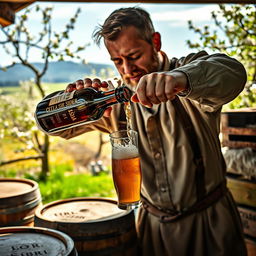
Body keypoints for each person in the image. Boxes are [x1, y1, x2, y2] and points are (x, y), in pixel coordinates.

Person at [55, 7, 248, 256]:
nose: (127, 69)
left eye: (134, 56)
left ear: (155, 42)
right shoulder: (113, 101)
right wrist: (71, 102)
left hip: (209, 224)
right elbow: (57, 130)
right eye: (117, 61)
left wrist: (179, 79)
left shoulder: (189, 73)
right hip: (151, 229)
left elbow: (233, 72)